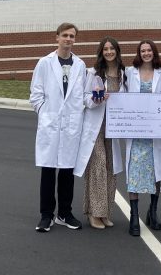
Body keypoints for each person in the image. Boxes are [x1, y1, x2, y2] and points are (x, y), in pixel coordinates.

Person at [29, 22, 87, 232]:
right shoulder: (45, 63)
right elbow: (36, 94)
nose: (68, 39)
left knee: (67, 172)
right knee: (48, 170)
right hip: (51, 124)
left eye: (72, 36)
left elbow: (83, 94)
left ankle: (64, 213)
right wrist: (46, 113)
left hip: (71, 126)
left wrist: (95, 99)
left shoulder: (80, 65)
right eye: (65, 35)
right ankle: (46, 215)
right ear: (57, 37)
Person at [74, 37, 126, 229]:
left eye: (112, 48)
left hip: (114, 127)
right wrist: (96, 100)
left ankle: (104, 213)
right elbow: (84, 98)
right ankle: (94, 213)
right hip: (96, 127)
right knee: (98, 165)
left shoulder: (123, 74)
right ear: (101, 52)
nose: (109, 52)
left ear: (117, 51)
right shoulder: (93, 73)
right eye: (105, 49)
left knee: (110, 168)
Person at [124, 40, 161, 236]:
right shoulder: (130, 72)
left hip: (156, 132)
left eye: (149, 50)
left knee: (156, 172)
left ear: (154, 52)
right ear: (139, 53)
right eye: (143, 51)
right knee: (134, 172)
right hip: (137, 132)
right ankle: (134, 215)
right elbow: (122, 95)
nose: (146, 53)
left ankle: (153, 211)